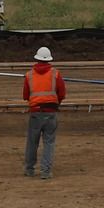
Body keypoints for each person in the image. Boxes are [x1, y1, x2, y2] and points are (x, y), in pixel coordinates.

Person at [23, 44, 66, 177]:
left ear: (37, 59)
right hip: (51, 112)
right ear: (49, 60)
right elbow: (62, 93)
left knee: (32, 142)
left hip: (35, 112)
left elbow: (25, 95)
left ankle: (29, 169)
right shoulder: (56, 74)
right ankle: (45, 171)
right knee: (49, 143)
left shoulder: (29, 75)